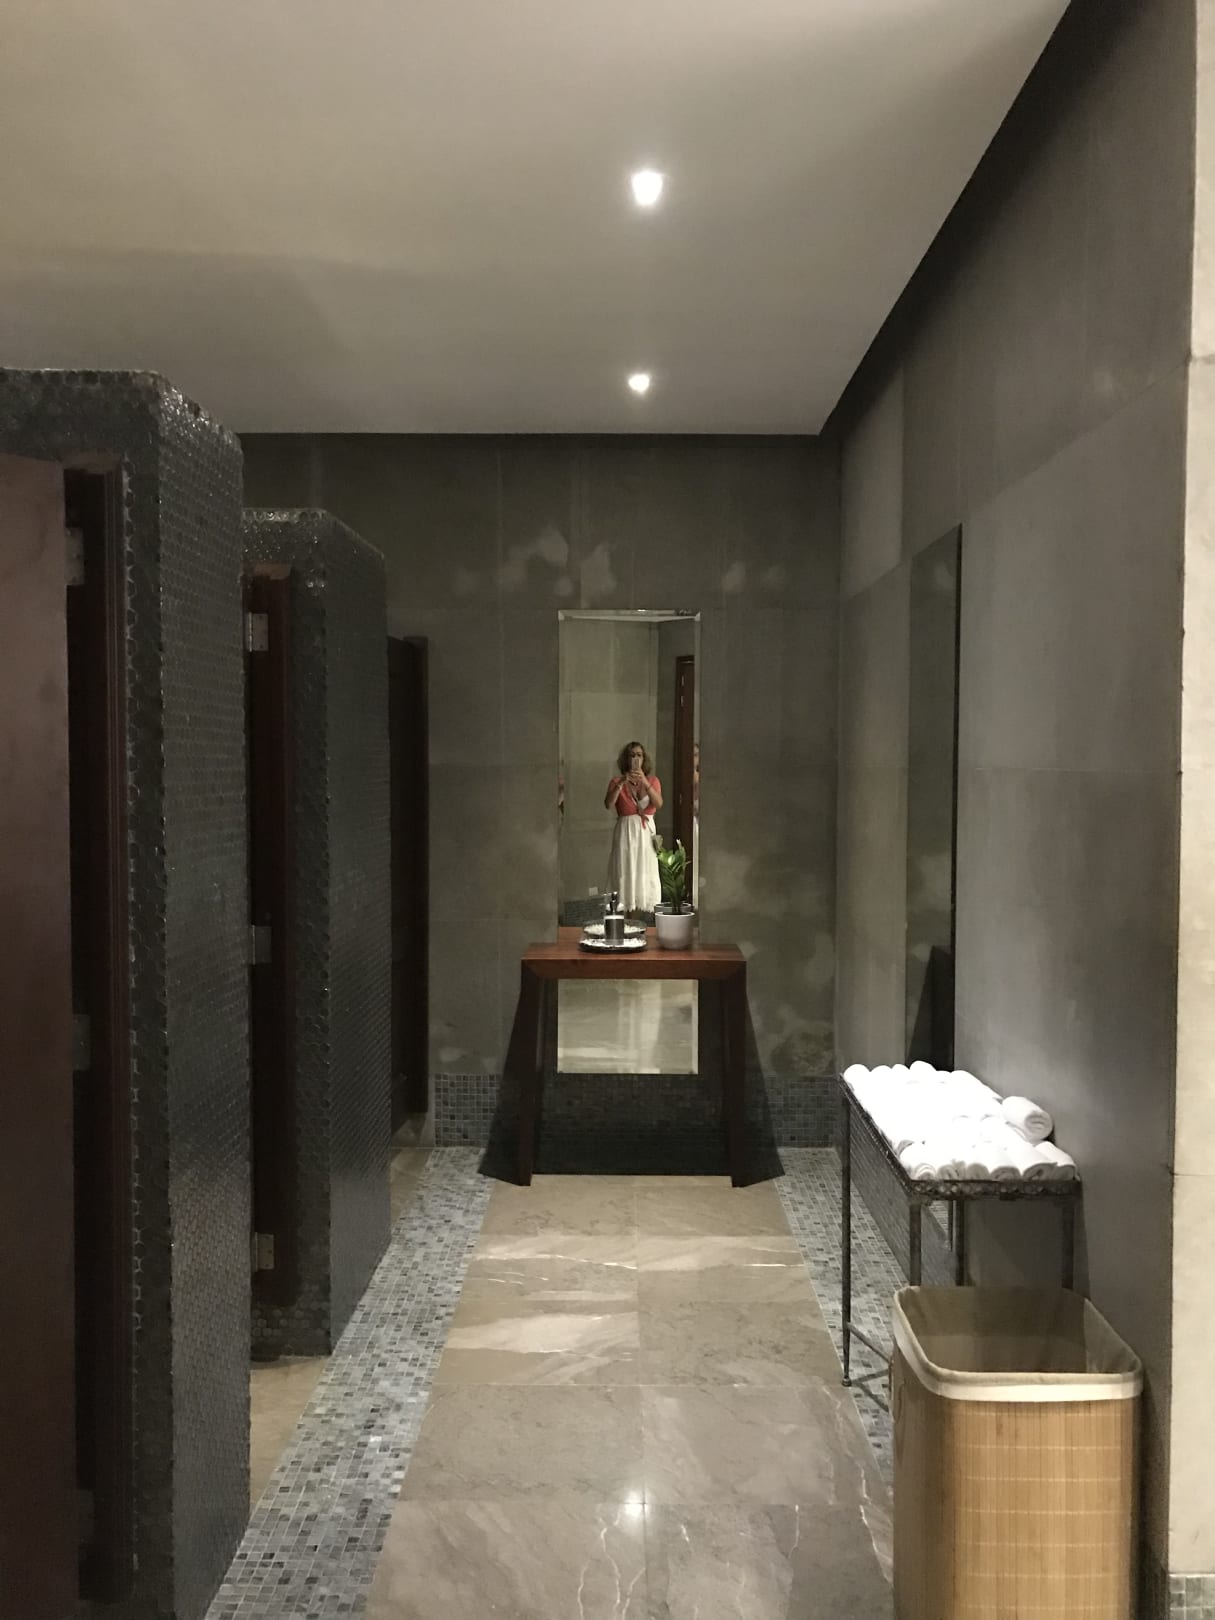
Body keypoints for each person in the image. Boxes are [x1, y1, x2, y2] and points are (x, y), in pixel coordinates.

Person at [604, 741, 663, 913]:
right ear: (626, 759)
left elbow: (658, 803)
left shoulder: (652, 781)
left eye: (639, 755)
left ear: (644, 759)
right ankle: (625, 917)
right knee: (626, 873)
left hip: (645, 835)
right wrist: (622, 783)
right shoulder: (616, 781)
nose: (635, 758)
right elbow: (608, 804)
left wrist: (644, 780)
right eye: (631, 755)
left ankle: (638, 918)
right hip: (626, 833)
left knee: (644, 875)